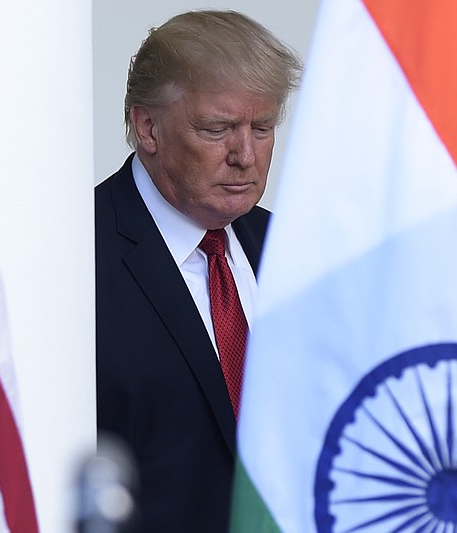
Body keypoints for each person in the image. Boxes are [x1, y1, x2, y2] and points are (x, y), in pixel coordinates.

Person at [95, 10, 302, 532]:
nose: (246, 156)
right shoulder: (76, 257)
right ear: (148, 128)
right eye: (218, 129)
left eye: (263, 128)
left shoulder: (288, 248)